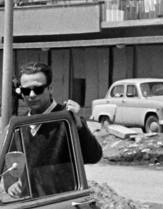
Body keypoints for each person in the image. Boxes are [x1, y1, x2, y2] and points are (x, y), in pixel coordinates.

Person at [10, 62, 101, 196]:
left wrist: (80, 127)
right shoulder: (19, 124)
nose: (32, 94)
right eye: (26, 90)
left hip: (62, 204)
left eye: (38, 89)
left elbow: (94, 156)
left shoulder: (68, 119)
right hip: (28, 207)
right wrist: (11, 183)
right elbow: (11, 161)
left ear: (50, 88)